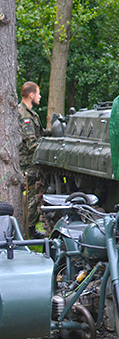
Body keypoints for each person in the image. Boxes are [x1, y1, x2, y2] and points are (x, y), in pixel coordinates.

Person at [17, 82, 46, 239]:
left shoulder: (30, 113)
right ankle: (27, 231)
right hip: (29, 163)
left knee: (34, 196)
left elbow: (40, 134)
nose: (40, 96)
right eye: (38, 93)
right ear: (31, 95)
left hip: (32, 162)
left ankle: (30, 229)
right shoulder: (25, 115)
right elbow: (31, 144)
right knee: (33, 197)